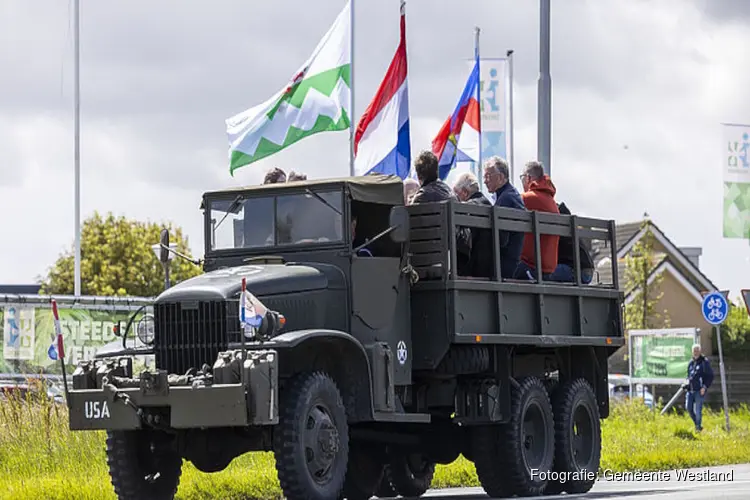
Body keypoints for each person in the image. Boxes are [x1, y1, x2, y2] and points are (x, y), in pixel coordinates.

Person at [514, 160, 560, 281]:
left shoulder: (527, 198)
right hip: (548, 269)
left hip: (531, 267)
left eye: (522, 177)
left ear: (528, 178)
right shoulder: (551, 201)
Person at [482, 156, 526, 279]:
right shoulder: (512, 195)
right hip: (513, 262)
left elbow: (500, 240)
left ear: (501, 177)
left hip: (504, 267)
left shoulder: (506, 199)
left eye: (488, 176)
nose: (485, 181)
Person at [453, 172, 493, 278]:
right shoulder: (489, 205)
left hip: (472, 271)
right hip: (490, 269)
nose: (456, 198)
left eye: (457, 193)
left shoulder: (467, 208)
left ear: (465, 192)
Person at [549, 202, 595, 284]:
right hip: (584, 270)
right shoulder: (566, 221)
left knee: (541, 273)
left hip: (576, 270)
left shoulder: (557, 223)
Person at [685, 344, 713, 433]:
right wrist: (686, 383)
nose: (696, 352)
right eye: (694, 350)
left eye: (697, 350)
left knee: (698, 410)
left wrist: (704, 387)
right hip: (690, 390)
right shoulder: (691, 362)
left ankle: (697, 428)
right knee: (688, 408)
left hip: (699, 390)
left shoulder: (705, 362)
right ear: (692, 352)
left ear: (700, 351)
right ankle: (698, 425)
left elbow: (710, 376)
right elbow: (689, 376)